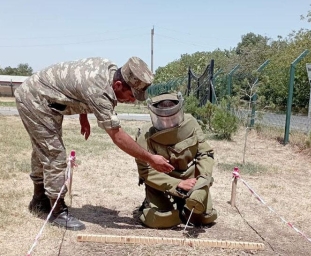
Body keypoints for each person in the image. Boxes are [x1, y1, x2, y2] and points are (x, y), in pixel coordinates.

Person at [14, 57, 174, 231]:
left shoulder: (109, 71)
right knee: (53, 152)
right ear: (119, 85)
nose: (133, 101)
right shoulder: (100, 90)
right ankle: (57, 210)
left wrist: (84, 114)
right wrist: (150, 158)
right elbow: (117, 136)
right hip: (35, 99)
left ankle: (39, 200)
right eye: (131, 95)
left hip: (45, 97)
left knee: (43, 149)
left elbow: (79, 88)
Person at [134, 92, 217, 228]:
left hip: (191, 179)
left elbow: (205, 154)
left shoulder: (191, 124)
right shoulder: (145, 134)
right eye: (163, 118)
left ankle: (186, 207)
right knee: (161, 219)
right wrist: (177, 184)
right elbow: (145, 171)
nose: (168, 121)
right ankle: (158, 205)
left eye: (172, 116)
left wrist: (202, 180)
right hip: (161, 182)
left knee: (205, 218)